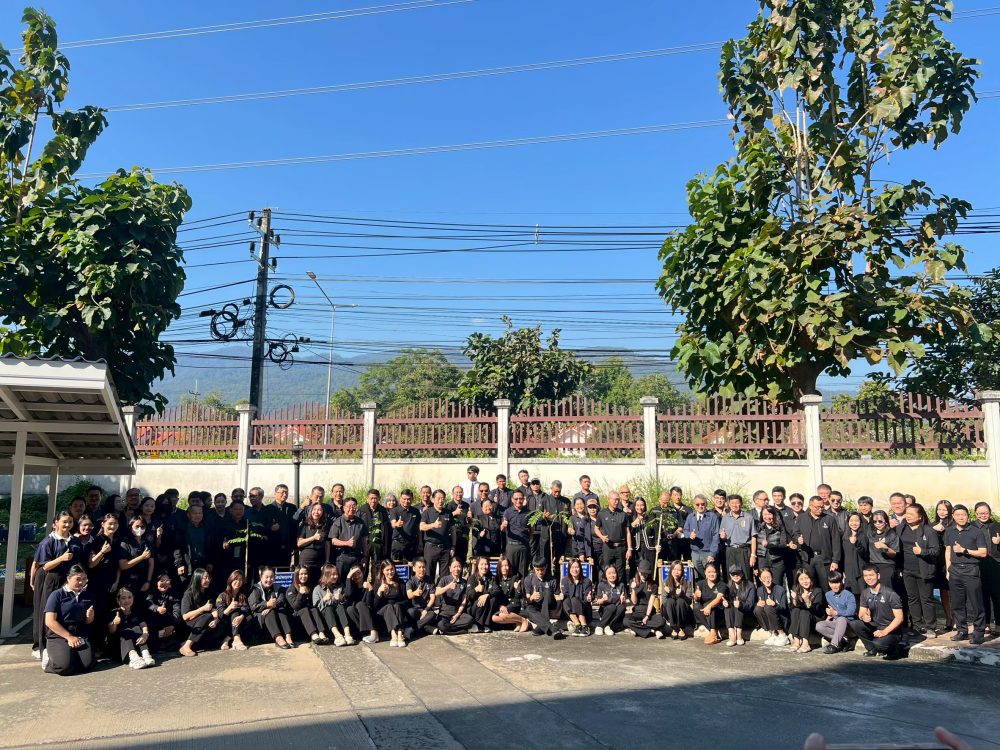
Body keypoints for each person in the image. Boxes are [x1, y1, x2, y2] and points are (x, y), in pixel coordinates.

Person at [32, 511, 82, 659]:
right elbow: (45, 566)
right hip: (51, 579)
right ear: (56, 523)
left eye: (70, 522)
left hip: (68, 580)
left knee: (65, 611)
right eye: (64, 522)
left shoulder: (75, 541)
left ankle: (62, 641)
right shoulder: (48, 542)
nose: (67, 525)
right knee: (47, 611)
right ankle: (41, 646)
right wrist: (62, 558)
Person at [943, 504, 988, 644]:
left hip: (971, 570)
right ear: (953, 517)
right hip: (954, 570)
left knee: (976, 604)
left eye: (963, 515)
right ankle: (962, 630)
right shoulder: (949, 531)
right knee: (957, 603)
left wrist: (965, 550)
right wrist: (948, 569)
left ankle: (979, 632)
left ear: (968, 516)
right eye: (957, 515)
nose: (961, 517)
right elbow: (948, 551)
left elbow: (983, 553)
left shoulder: (976, 532)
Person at [42, 564, 96, 676]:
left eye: (84, 579)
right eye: (78, 579)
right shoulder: (57, 595)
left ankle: (70, 655)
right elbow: (50, 621)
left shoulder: (88, 595)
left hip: (79, 634)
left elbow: (88, 622)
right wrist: (69, 637)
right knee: (64, 667)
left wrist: (90, 617)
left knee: (87, 665)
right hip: (59, 635)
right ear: (68, 578)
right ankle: (48, 660)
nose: (81, 582)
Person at [897, 503, 939, 634]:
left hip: (924, 570)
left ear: (920, 516)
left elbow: (936, 551)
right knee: (912, 598)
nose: (908, 516)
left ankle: (930, 627)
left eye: (911, 514)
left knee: (926, 599)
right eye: (907, 513)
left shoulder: (929, 531)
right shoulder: (901, 528)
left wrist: (922, 551)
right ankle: (917, 625)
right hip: (907, 570)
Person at [850, 564, 905, 659]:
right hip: (875, 627)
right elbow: (861, 613)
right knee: (854, 624)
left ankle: (893, 650)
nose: (868, 578)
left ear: (878, 576)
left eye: (871, 575)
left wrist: (884, 632)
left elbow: (899, 618)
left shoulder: (890, 594)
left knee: (879, 644)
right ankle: (872, 649)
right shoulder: (865, 593)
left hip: (892, 631)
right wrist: (864, 617)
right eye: (865, 576)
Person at [793, 496, 842, 591]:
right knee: (810, 586)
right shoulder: (801, 518)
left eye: (822, 507)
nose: (820, 509)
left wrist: (835, 560)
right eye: (817, 507)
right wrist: (798, 539)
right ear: (810, 506)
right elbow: (795, 533)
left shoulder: (829, 519)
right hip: (808, 559)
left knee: (826, 586)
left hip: (824, 559)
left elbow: (836, 541)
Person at [249, 566, 296, 649]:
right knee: (270, 612)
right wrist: (266, 604)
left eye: (271, 577)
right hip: (260, 617)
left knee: (281, 609)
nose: (269, 579)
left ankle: (288, 635)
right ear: (261, 577)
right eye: (266, 577)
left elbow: (281, 600)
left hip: (276, 614)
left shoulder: (278, 587)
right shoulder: (255, 589)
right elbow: (253, 606)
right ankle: (278, 638)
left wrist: (270, 606)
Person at [108, 587, 155, 669]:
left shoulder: (136, 611)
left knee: (136, 628)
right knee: (126, 631)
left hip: (136, 644)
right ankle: (133, 658)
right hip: (120, 647)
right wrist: (114, 623)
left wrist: (145, 634)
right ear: (118, 600)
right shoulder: (114, 612)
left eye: (130, 597)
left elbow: (143, 625)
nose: (127, 600)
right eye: (123, 598)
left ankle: (145, 654)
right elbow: (111, 631)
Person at [180, 568, 220, 656]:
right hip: (190, 624)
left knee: (219, 620)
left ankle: (193, 644)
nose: (208, 580)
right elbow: (185, 617)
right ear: (198, 578)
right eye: (205, 578)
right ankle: (186, 646)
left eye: (209, 578)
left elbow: (213, 609)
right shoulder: (189, 594)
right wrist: (202, 609)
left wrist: (216, 620)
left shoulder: (208, 592)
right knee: (207, 616)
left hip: (203, 623)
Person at [973, 502, 1000, 634]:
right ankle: (986, 623)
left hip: (996, 564)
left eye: (986, 513)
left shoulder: (997, 526)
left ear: (990, 513)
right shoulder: (971, 527)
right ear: (975, 514)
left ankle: (998, 624)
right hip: (978, 565)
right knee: (982, 596)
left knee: (997, 596)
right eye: (980, 513)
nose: (983, 515)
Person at [285, 566, 329, 644]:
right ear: (296, 575)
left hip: (308, 618)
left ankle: (321, 632)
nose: (304, 576)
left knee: (314, 609)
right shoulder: (291, 589)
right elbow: (296, 607)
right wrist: (300, 594)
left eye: (305, 574)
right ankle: (313, 634)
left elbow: (312, 604)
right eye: (301, 574)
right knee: (304, 610)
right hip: (296, 619)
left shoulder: (310, 587)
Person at [313, 564, 355, 646]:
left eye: (336, 574)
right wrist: (324, 599)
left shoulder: (340, 586)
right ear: (326, 575)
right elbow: (315, 608)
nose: (336, 576)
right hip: (326, 620)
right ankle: (337, 636)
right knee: (328, 608)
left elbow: (346, 604)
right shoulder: (317, 589)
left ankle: (347, 634)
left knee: (340, 607)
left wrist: (342, 598)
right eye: (333, 574)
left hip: (339, 617)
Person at [522, 560, 565, 638]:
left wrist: (560, 597)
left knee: (547, 591)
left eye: (542, 569)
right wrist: (532, 597)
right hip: (535, 605)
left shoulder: (552, 579)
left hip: (549, 604)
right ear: (534, 568)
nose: (540, 572)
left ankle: (541, 628)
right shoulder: (528, 579)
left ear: (546, 567)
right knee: (528, 610)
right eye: (537, 570)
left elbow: (557, 596)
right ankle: (552, 628)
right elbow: (527, 600)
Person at [595, 491, 632, 583]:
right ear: (608, 500)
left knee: (620, 571)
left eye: (618, 500)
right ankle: (607, 589)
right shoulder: (602, 514)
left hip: (621, 548)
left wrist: (629, 548)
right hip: (608, 547)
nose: (616, 502)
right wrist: (601, 537)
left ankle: (620, 589)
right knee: (607, 570)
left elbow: (628, 532)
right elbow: (596, 528)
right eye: (614, 499)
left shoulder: (623, 514)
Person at [624, 559, 666, 639]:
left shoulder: (653, 584)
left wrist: (647, 616)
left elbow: (651, 602)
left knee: (661, 621)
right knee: (626, 620)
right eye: (641, 573)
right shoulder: (633, 581)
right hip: (637, 611)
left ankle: (638, 628)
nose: (643, 575)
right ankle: (651, 631)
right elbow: (634, 602)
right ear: (638, 570)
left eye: (646, 573)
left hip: (649, 611)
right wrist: (633, 589)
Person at [816, 571, 856, 654]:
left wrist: (836, 613)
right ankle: (843, 641)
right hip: (836, 624)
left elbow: (852, 612)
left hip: (849, 625)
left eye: (837, 583)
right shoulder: (828, 595)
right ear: (829, 583)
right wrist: (829, 615)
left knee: (841, 619)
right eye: (832, 583)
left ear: (841, 582)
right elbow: (831, 611)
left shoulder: (849, 595)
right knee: (819, 625)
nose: (834, 585)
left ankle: (834, 645)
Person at [682, 494, 720, 580]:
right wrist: (689, 535)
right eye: (697, 504)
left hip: (708, 553)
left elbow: (716, 536)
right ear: (693, 505)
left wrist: (712, 554)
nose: (700, 506)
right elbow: (685, 530)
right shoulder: (690, 517)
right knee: (698, 578)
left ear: (706, 504)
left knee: (710, 577)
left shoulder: (712, 517)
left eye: (703, 504)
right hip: (695, 553)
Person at [420, 490, 455, 583]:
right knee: (429, 574)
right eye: (438, 498)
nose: (441, 501)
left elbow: (453, 531)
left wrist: (453, 546)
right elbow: (421, 527)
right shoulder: (427, 512)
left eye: (443, 498)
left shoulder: (448, 513)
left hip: (445, 548)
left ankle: (442, 591)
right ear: (433, 499)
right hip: (431, 547)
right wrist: (433, 525)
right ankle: (430, 591)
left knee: (445, 576)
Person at [719, 494, 756, 582]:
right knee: (731, 576)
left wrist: (753, 555)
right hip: (730, 550)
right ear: (729, 504)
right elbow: (722, 535)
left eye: (737, 503)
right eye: (732, 503)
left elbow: (753, 537)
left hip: (744, 550)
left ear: (741, 504)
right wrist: (723, 537)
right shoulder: (725, 518)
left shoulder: (748, 517)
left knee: (746, 576)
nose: (734, 505)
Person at [434, 558, 476, 635]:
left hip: (457, 613)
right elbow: (437, 592)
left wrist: (458, 614)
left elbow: (464, 600)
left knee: (469, 619)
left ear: (461, 568)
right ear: (450, 568)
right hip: (445, 613)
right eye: (454, 567)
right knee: (441, 624)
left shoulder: (464, 582)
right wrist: (448, 586)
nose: (457, 569)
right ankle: (463, 631)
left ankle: (448, 630)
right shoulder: (444, 579)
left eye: (459, 566)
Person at [330, 498, 367, 581]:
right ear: (344, 508)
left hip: (356, 557)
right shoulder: (338, 522)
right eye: (349, 506)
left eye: (354, 506)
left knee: (356, 581)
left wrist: (365, 556)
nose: (351, 508)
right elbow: (333, 541)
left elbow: (364, 540)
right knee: (341, 581)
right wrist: (346, 543)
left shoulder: (360, 522)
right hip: (342, 557)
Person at [932, 499, 955, 631]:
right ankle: (948, 617)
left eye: (944, 510)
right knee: (943, 590)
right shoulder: (932, 524)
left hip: (951, 559)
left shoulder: (953, 525)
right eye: (939, 509)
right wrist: (932, 529)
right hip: (938, 561)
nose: (941, 512)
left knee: (953, 590)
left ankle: (956, 617)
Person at [374, 560, 410, 647]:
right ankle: (393, 635)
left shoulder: (400, 582)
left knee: (396, 606)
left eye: (392, 569)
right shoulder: (378, 583)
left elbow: (406, 600)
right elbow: (375, 605)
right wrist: (379, 591)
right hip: (383, 613)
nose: (390, 572)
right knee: (389, 606)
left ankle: (399, 634)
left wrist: (397, 605)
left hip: (397, 610)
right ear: (383, 571)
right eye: (387, 570)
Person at [788, 568, 824, 653]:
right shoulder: (796, 589)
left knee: (804, 612)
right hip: (802, 620)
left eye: (807, 578)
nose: (805, 581)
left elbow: (818, 610)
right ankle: (796, 640)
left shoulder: (817, 591)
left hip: (815, 618)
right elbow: (792, 608)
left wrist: (808, 601)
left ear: (811, 578)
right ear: (798, 581)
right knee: (796, 610)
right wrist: (795, 599)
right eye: (801, 579)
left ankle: (805, 643)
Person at [215, 569, 251, 651]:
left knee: (249, 617)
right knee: (235, 611)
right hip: (224, 623)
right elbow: (220, 615)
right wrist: (230, 607)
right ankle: (237, 639)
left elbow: (246, 609)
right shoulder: (222, 595)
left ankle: (227, 639)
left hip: (237, 622)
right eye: (236, 579)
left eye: (240, 580)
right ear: (230, 580)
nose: (238, 582)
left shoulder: (242, 595)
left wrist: (241, 617)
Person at [692, 562, 727, 645]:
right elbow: (696, 599)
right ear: (705, 573)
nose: (711, 574)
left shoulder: (722, 584)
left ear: (717, 573)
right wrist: (696, 596)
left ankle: (713, 632)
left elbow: (719, 598)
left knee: (711, 608)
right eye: (709, 572)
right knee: (696, 606)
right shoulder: (700, 584)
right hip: (705, 612)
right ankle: (712, 631)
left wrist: (709, 606)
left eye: (713, 572)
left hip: (718, 610)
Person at [492, 556, 530, 632]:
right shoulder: (496, 579)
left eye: (506, 565)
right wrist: (500, 605)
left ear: (509, 567)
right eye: (502, 566)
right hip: (501, 605)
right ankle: (517, 622)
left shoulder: (514, 578)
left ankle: (524, 620)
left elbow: (518, 597)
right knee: (494, 618)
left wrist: (518, 589)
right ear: (499, 567)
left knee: (502, 615)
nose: (504, 568)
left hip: (513, 604)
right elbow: (496, 595)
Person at [500, 490, 532, 578]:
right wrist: (503, 525)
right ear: (512, 499)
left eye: (520, 498)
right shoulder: (507, 512)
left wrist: (527, 541)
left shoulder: (528, 512)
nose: (518, 501)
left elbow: (531, 530)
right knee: (510, 570)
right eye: (516, 499)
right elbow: (502, 529)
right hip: (511, 546)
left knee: (523, 572)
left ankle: (522, 587)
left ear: (524, 499)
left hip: (523, 546)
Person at [755, 567, 790, 646]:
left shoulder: (780, 590)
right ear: (760, 579)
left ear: (772, 577)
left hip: (782, 619)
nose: (767, 580)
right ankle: (773, 634)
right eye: (764, 578)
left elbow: (784, 608)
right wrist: (758, 604)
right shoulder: (759, 590)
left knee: (768, 607)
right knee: (758, 609)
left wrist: (775, 604)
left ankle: (782, 635)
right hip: (771, 620)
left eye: (768, 577)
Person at [147, 573, 183, 649]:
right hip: (153, 624)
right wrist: (157, 608)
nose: (165, 583)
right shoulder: (151, 592)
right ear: (156, 582)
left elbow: (177, 612)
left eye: (167, 580)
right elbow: (148, 603)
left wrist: (172, 626)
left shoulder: (174, 594)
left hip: (169, 623)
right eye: (161, 581)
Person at [344, 564, 378, 644]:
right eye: (354, 574)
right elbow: (348, 595)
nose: (357, 576)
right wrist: (348, 577)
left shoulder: (369, 584)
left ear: (363, 573)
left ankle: (373, 632)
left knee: (360, 604)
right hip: (358, 622)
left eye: (359, 573)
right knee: (350, 609)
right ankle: (364, 634)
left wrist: (370, 590)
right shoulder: (351, 587)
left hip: (370, 617)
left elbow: (370, 604)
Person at [405, 558, 439, 637]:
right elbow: (409, 595)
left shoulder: (430, 580)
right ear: (414, 568)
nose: (422, 569)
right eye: (419, 567)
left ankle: (412, 629)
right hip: (415, 609)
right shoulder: (410, 581)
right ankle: (427, 628)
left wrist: (426, 610)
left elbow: (432, 597)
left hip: (426, 609)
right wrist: (415, 593)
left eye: (423, 567)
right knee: (410, 612)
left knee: (432, 614)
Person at [867, 510, 900, 591]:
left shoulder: (892, 534)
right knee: (873, 590)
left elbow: (894, 554)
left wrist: (886, 548)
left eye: (880, 521)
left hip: (887, 565)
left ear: (886, 521)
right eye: (874, 522)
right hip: (873, 564)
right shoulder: (870, 532)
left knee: (886, 591)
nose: (877, 523)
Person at [755, 506, 788, 587]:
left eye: (769, 514)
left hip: (777, 561)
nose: (767, 517)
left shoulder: (780, 527)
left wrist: (770, 545)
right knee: (763, 585)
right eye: (765, 514)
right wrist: (755, 566)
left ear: (774, 515)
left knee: (777, 585)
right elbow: (754, 545)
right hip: (762, 560)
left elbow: (783, 544)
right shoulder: (758, 527)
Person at [297, 502, 329, 585]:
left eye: (319, 510)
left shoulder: (325, 526)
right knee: (306, 583)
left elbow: (327, 544)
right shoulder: (305, 524)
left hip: (320, 560)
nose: (316, 512)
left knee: (318, 583)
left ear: (323, 512)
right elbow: (299, 543)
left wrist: (327, 560)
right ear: (311, 511)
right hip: (306, 559)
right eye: (314, 509)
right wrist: (313, 538)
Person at [723, 567, 756, 647]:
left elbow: (750, 604)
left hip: (747, 615)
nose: (735, 576)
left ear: (742, 574)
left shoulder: (750, 585)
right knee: (728, 606)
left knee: (738, 605)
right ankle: (731, 634)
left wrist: (741, 604)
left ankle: (739, 634)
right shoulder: (728, 586)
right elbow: (725, 600)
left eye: (738, 573)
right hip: (732, 616)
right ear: (730, 575)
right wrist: (724, 603)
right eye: (733, 574)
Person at [561, 558, 594, 636]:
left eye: (577, 567)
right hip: (572, 613)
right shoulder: (565, 580)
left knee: (574, 599)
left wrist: (588, 598)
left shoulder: (587, 581)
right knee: (566, 601)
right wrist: (561, 596)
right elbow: (566, 595)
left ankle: (584, 626)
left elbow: (587, 597)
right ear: (569, 569)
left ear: (580, 568)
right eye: (572, 567)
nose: (574, 570)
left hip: (584, 611)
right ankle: (578, 625)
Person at [466, 556, 499, 633]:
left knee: (492, 599)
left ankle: (486, 624)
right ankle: (477, 624)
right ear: (477, 565)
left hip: (485, 607)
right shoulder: (472, 578)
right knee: (480, 600)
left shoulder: (492, 578)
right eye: (482, 564)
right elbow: (468, 595)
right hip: (473, 608)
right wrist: (476, 589)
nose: (484, 567)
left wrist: (487, 595)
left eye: (486, 564)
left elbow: (497, 590)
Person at [660, 560, 692, 639]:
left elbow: (689, 601)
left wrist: (682, 594)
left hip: (683, 611)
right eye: (674, 569)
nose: (676, 572)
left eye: (679, 570)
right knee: (670, 601)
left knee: (680, 601)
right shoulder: (666, 582)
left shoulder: (687, 583)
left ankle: (681, 628)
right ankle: (674, 628)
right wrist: (668, 593)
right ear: (671, 570)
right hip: (670, 611)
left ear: (682, 571)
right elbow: (664, 601)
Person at [594, 564, 628, 636]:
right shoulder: (601, 585)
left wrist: (623, 600)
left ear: (617, 574)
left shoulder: (621, 585)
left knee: (622, 607)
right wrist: (603, 599)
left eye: (614, 573)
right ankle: (600, 626)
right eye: (609, 573)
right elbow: (598, 601)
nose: (612, 575)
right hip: (606, 610)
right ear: (605, 575)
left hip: (617, 611)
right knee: (612, 606)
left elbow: (624, 601)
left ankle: (608, 626)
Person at [840, 513, 868, 599]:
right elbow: (843, 555)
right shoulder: (844, 537)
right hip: (848, 571)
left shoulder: (863, 536)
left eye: (857, 520)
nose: (854, 523)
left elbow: (865, 554)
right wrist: (842, 570)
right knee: (850, 596)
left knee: (862, 595)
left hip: (860, 571)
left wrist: (856, 543)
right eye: (851, 520)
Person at [389, 489, 421, 562]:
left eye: (408, 499)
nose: (406, 501)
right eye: (404, 499)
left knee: (411, 566)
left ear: (412, 499)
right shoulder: (394, 510)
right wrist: (397, 524)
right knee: (397, 566)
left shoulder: (416, 511)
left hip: (412, 544)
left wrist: (419, 543)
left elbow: (418, 528)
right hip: (398, 544)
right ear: (400, 498)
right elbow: (393, 524)